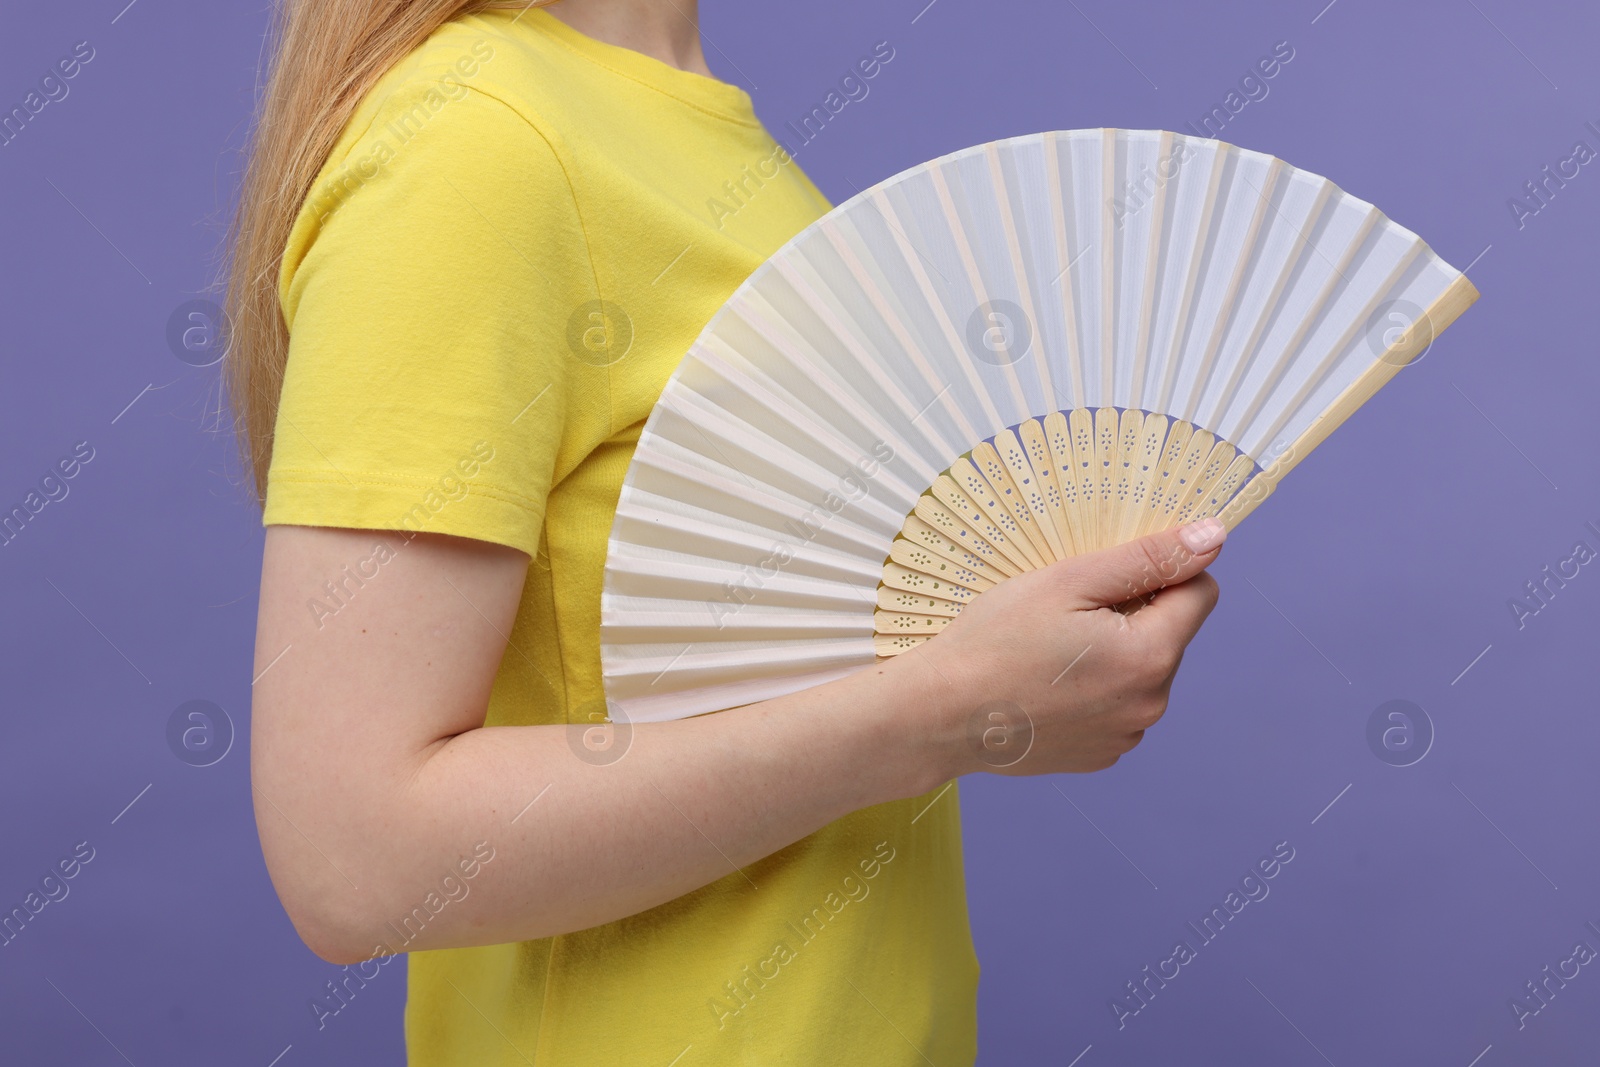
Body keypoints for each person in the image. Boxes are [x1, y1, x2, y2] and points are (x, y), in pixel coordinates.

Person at [225, 1, 1226, 1062]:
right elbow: (353, 859)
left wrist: (1004, 668)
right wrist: (947, 711)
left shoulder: (704, 140)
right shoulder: (477, 140)